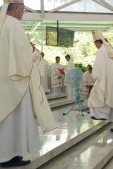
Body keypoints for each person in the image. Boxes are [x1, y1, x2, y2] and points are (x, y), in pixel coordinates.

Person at [0, 1, 56, 167]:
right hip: (17, 81)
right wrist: (33, 52)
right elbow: (22, 53)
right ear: (16, 8)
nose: (23, 12)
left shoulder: (2, 24)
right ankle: (7, 156)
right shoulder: (14, 25)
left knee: (8, 119)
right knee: (14, 119)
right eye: (23, 9)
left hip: (5, 83)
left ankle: (12, 153)